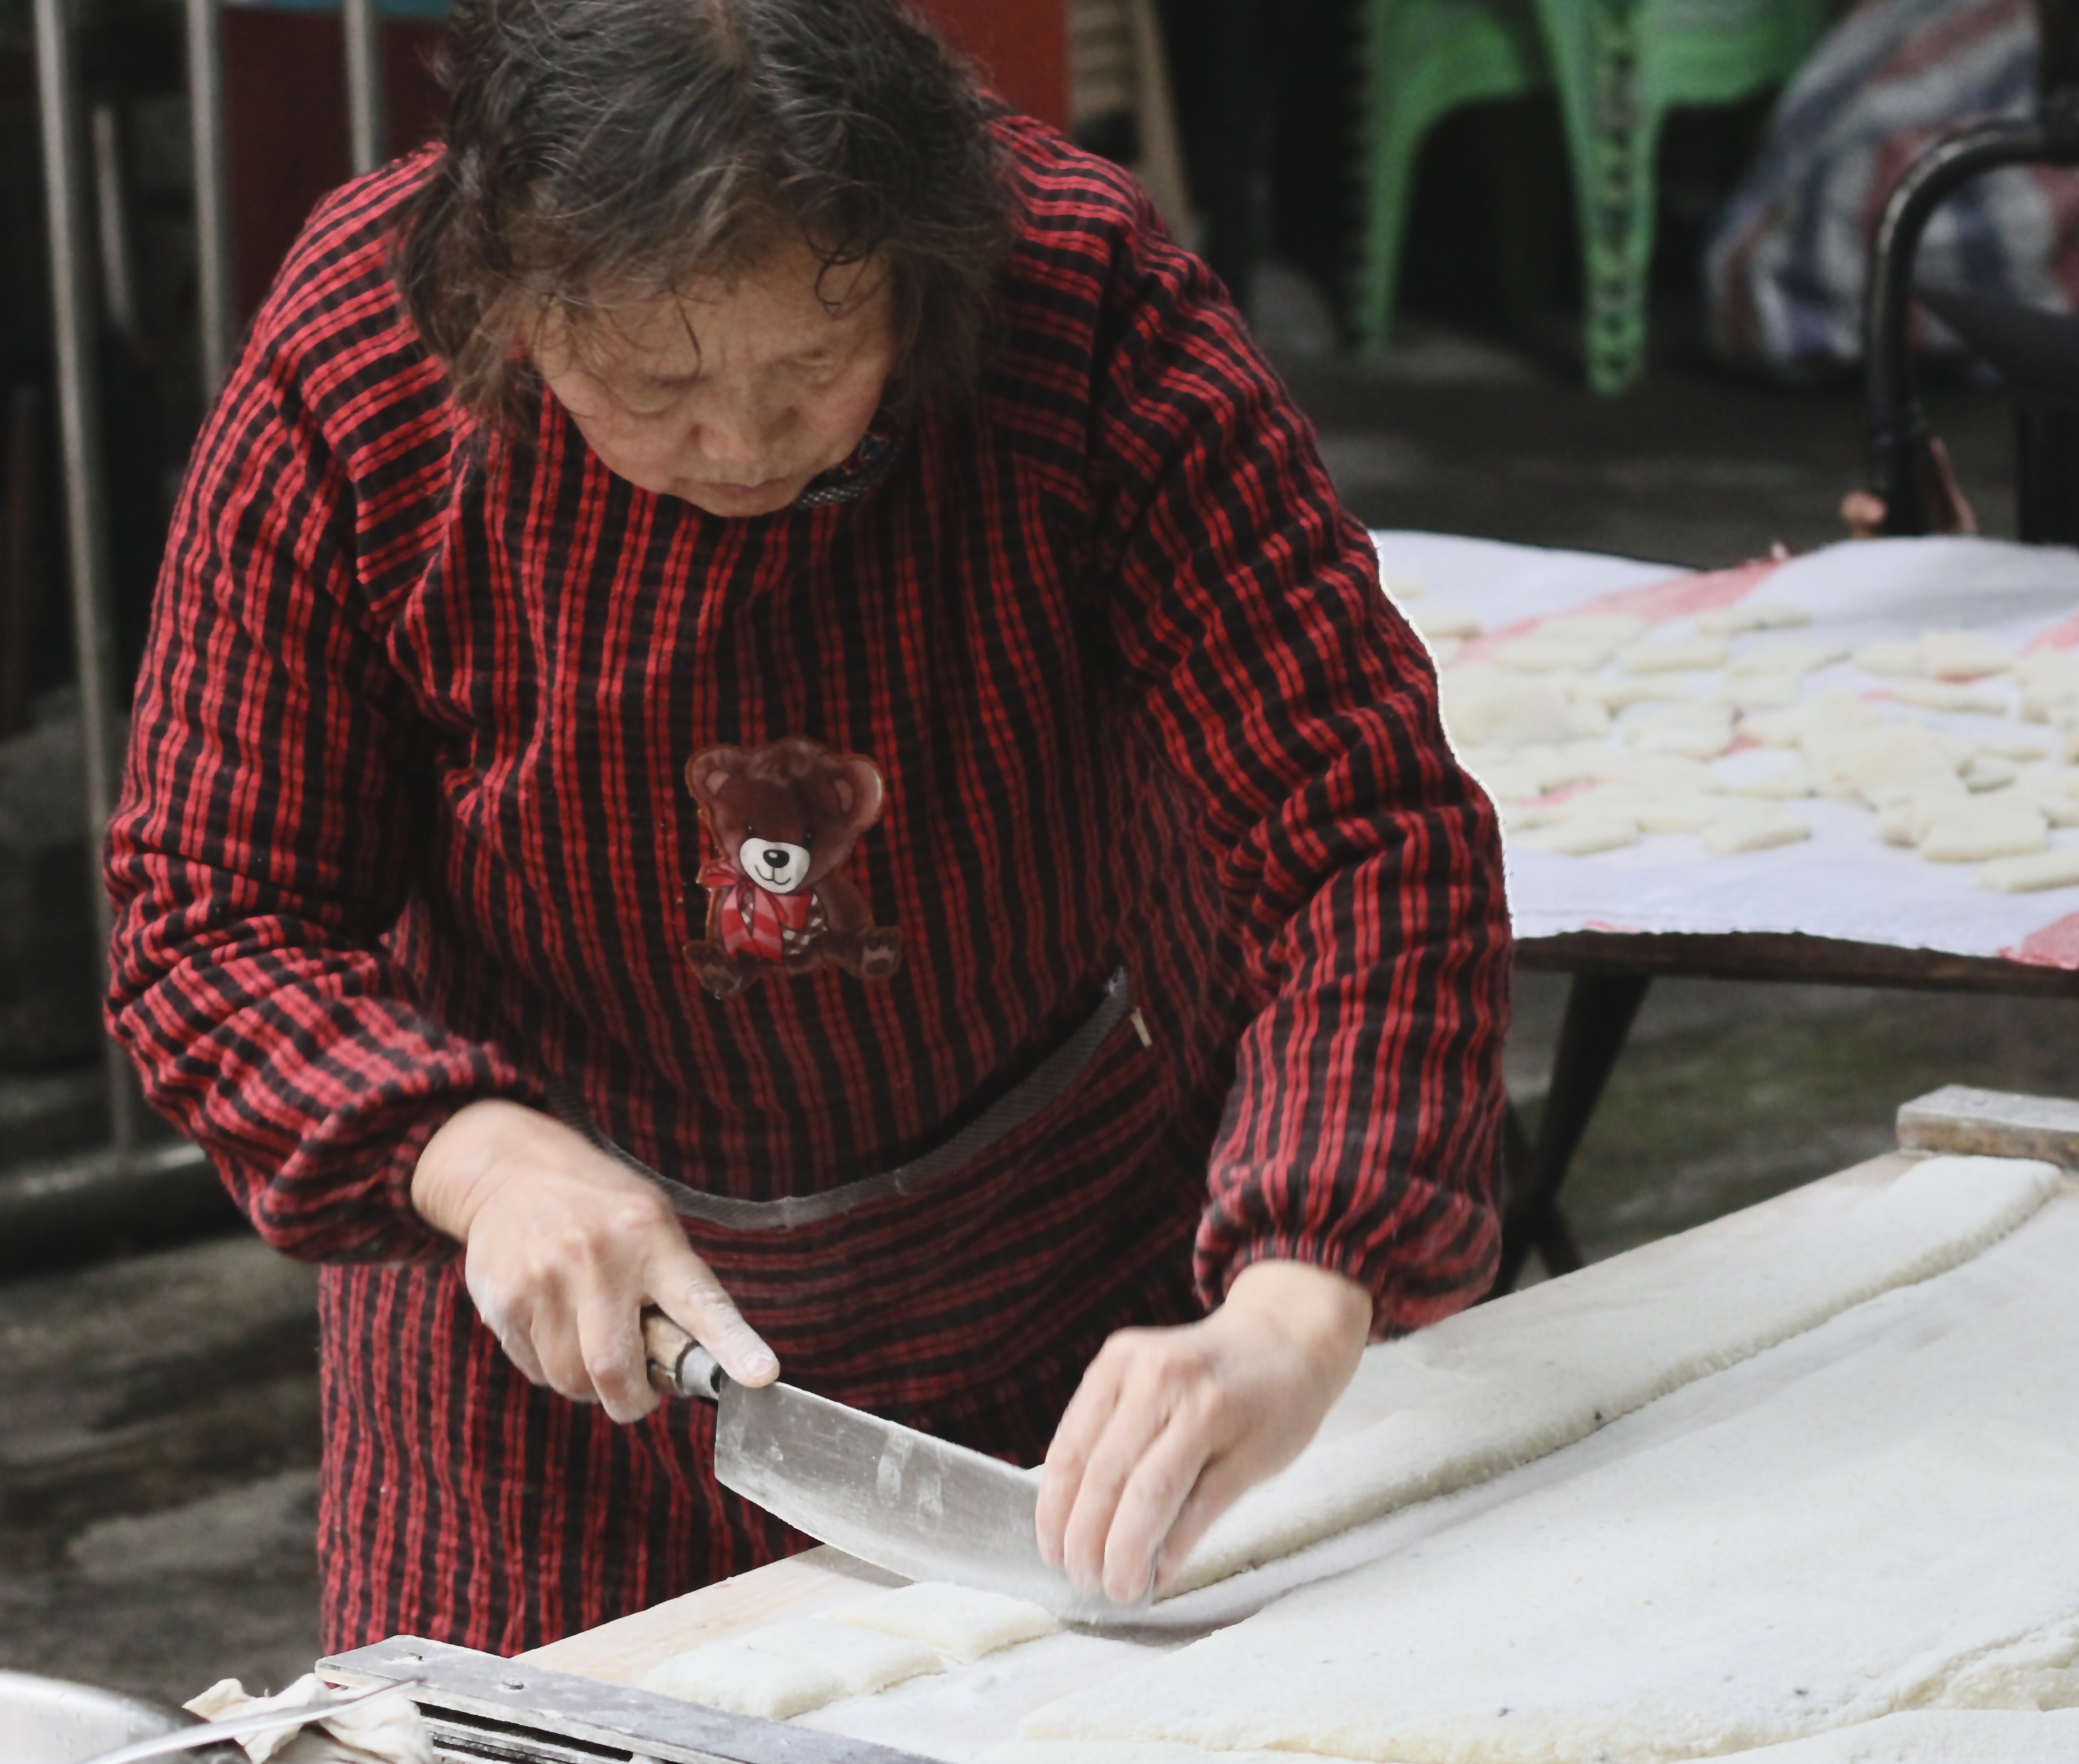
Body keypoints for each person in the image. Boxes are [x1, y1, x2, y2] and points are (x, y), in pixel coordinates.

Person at [105, 0, 1508, 1652]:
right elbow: (210, 914)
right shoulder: (360, 362)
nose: (745, 441)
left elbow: (1362, 833)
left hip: (1069, 1305)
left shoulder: (1079, 296)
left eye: (817, 364)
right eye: (655, 381)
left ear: (925, 259)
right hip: (548, 1374)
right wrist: (476, 1163)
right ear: (504, 305)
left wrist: (1292, 1304)